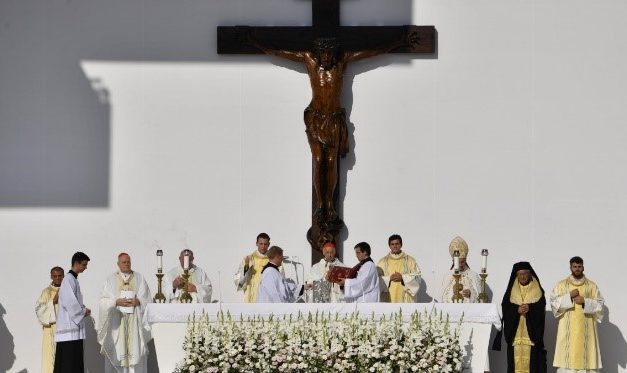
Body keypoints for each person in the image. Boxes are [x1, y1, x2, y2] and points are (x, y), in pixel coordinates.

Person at [247, 32, 419, 239]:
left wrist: (398, 41)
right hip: (316, 118)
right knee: (319, 160)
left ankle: (329, 205)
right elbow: (278, 51)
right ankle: (321, 205)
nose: (326, 57)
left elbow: (371, 52)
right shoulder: (309, 61)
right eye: (323, 53)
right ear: (317, 52)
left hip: (334, 120)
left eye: (329, 53)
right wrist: (254, 41)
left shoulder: (342, 62)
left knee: (331, 162)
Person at [98, 253, 152, 373]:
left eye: (128, 262)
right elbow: (103, 301)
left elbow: (147, 299)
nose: (126, 264)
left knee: (135, 352)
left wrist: (138, 301)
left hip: (134, 322)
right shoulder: (110, 280)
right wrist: (116, 301)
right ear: (118, 264)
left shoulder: (139, 278)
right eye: (123, 262)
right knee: (118, 352)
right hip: (118, 322)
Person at [551, 256, 604, 373]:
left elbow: (600, 306)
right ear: (570, 267)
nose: (577, 269)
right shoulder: (561, 285)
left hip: (587, 332)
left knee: (587, 362)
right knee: (567, 365)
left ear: (583, 267)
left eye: (579, 266)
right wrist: (569, 296)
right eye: (574, 266)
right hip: (567, 332)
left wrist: (585, 301)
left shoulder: (591, 286)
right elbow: (554, 304)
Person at [501, 262, 547, 373]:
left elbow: (541, 308)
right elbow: (505, 307)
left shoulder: (537, 289)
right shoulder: (511, 290)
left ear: (530, 274)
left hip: (531, 336)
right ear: (516, 275)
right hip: (516, 336)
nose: (522, 277)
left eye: (525, 274)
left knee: (533, 364)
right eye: (520, 274)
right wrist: (516, 310)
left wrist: (530, 309)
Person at [54, 251, 90, 373]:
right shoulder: (68, 280)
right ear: (76, 263)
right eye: (84, 264)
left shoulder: (73, 280)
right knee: (68, 364)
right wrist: (83, 311)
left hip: (73, 331)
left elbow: (75, 302)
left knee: (74, 363)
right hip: (69, 333)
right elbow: (70, 303)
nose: (86, 267)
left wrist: (83, 308)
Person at [234, 233, 283, 303]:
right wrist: (246, 268)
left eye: (265, 244)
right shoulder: (249, 259)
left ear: (269, 244)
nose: (263, 247)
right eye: (261, 244)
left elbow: (280, 281)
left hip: (267, 299)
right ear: (256, 243)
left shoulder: (274, 260)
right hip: (250, 298)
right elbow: (239, 282)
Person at [35, 266, 64, 373]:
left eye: (60, 276)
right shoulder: (46, 292)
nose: (57, 278)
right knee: (51, 359)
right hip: (51, 330)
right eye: (55, 276)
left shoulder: (68, 290)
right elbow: (39, 310)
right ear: (51, 276)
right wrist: (53, 301)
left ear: (63, 276)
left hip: (65, 330)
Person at [377, 234, 421, 303]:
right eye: (392, 244)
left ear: (401, 245)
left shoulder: (410, 260)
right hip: (388, 297)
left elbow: (417, 278)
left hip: (405, 298)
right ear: (389, 246)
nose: (395, 246)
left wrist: (403, 278)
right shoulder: (382, 262)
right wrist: (389, 279)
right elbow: (376, 280)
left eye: (397, 244)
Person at [439, 236, 481, 303]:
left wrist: (471, 294)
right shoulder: (447, 276)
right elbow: (441, 297)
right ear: (453, 261)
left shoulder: (473, 275)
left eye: (462, 262)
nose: (461, 265)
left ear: (466, 260)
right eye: (458, 262)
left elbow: (481, 299)